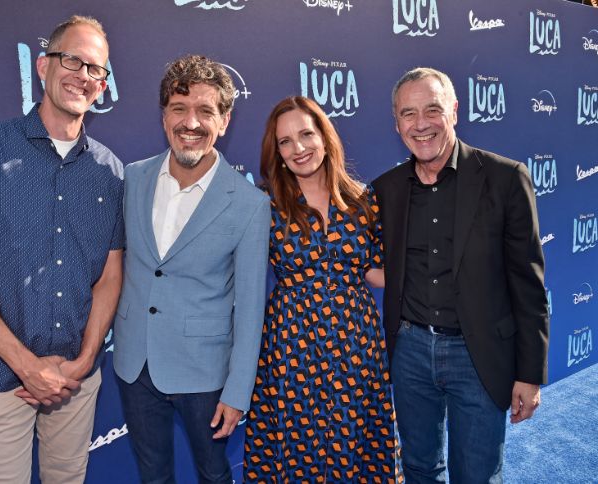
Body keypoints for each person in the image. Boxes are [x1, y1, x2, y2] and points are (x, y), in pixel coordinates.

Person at [0, 15, 123, 484]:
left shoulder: (111, 171)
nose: (82, 75)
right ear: (43, 66)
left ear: (102, 86)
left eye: (95, 69)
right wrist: (26, 365)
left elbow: (110, 276)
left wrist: (84, 359)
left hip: (77, 380)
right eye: (71, 60)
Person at [372, 67, 549, 483]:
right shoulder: (386, 190)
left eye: (432, 109)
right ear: (396, 123)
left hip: (478, 353)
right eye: (408, 113)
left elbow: (528, 283)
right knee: (418, 469)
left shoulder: (506, 178)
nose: (421, 124)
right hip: (410, 352)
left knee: (477, 474)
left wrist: (530, 373)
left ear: (454, 110)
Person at [113, 54, 270, 483]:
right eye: (179, 108)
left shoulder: (250, 204)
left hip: (206, 372)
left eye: (205, 110)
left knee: (214, 474)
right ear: (164, 116)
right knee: (153, 475)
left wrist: (238, 391)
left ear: (225, 120)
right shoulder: (134, 178)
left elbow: (250, 307)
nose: (191, 123)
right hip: (135, 362)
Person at [243, 96, 402, 483]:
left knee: (359, 439)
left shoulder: (363, 199)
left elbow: (374, 272)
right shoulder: (263, 204)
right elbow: (241, 276)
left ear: (325, 138)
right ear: (277, 152)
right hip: (293, 346)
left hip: (357, 342)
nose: (298, 148)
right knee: (300, 448)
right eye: (285, 141)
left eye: (306, 134)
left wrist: (439, 268)